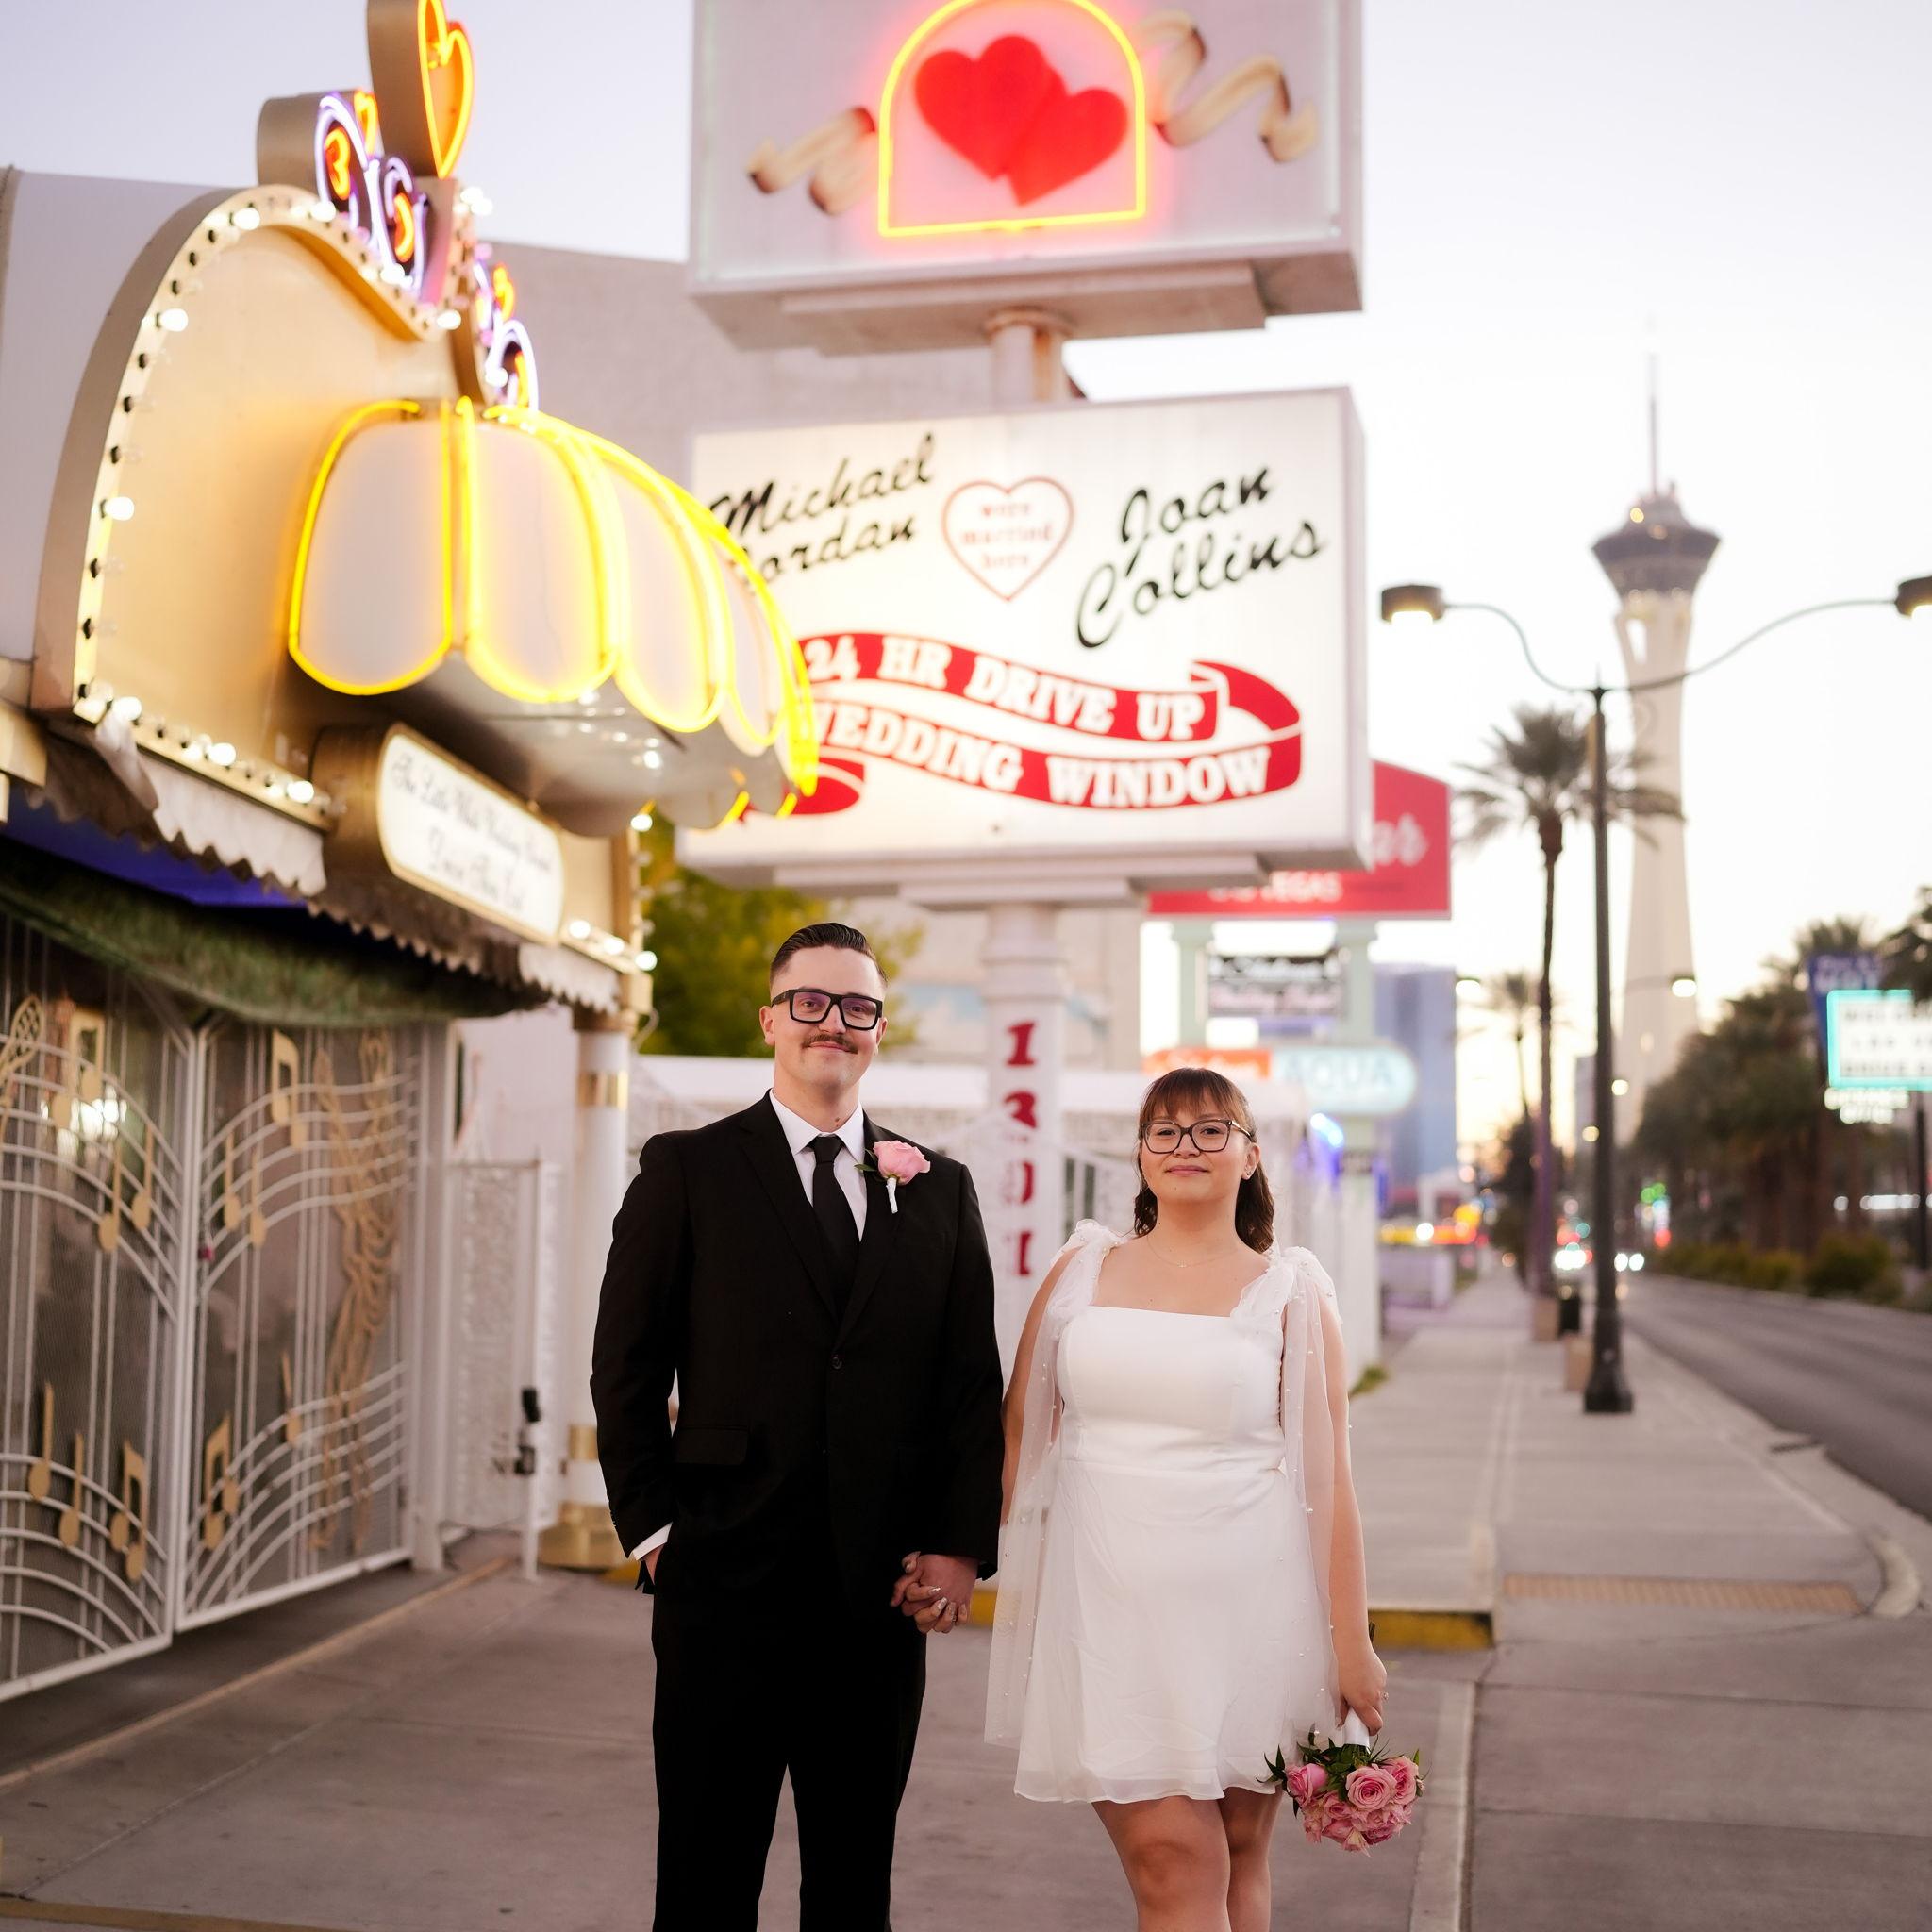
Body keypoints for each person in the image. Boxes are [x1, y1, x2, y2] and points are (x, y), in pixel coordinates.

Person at [591, 921, 1004, 1932]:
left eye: (857, 1006)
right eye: (810, 1002)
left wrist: (957, 1547)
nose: (833, 1022)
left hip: (877, 1595)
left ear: (878, 1028)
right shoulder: (688, 1169)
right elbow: (626, 1367)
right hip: (720, 1582)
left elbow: (966, 1384)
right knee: (704, 1877)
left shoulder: (939, 1189)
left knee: (854, 1886)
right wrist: (655, 1533)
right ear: (770, 1019)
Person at [986, 1066, 1386, 1932]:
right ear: (1140, 1155)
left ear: (1250, 1156)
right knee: (1175, 1862)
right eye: (1164, 1131)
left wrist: (1351, 1644)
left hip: (1253, 1620)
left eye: (1211, 1130)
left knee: (1238, 1860)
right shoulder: (1080, 1271)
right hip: (1110, 1619)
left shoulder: (1291, 1291)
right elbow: (1016, 1438)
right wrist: (954, 1555)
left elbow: (1329, 1484)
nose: (1186, 1147)